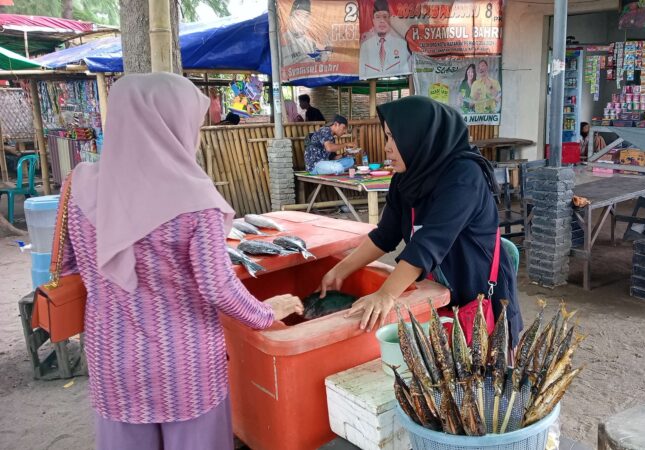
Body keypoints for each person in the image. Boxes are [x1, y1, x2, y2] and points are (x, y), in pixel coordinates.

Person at [61, 73, 304, 450]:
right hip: (185, 363)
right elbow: (216, 285)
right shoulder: (195, 199)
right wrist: (265, 312)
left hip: (111, 356)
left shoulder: (76, 186)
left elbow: (68, 267)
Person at [318, 96, 523, 345]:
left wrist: (386, 294)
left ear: (421, 136)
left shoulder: (464, 176)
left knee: (484, 376)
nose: (387, 147)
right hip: (442, 296)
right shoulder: (405, 179)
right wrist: (339, 271)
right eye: (387, 137)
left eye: (394, 137)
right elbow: (385, 236)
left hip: (481, 296)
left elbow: (428, 243)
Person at [359, 0, 412, 78]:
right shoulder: (365, 45)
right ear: (373, 21)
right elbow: (363, 71)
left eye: (385, 16)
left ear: (389, 19)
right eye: (378, 17)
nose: (382, 21)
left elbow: (408, 70)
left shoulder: (402, 44)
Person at [281, 0, 321, 65]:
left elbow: (318, 62)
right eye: (298, 16)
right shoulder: (282, 40)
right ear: (290, 18)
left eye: (306, 16)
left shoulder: (310, 41)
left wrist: (323, 55)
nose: (302, 21)